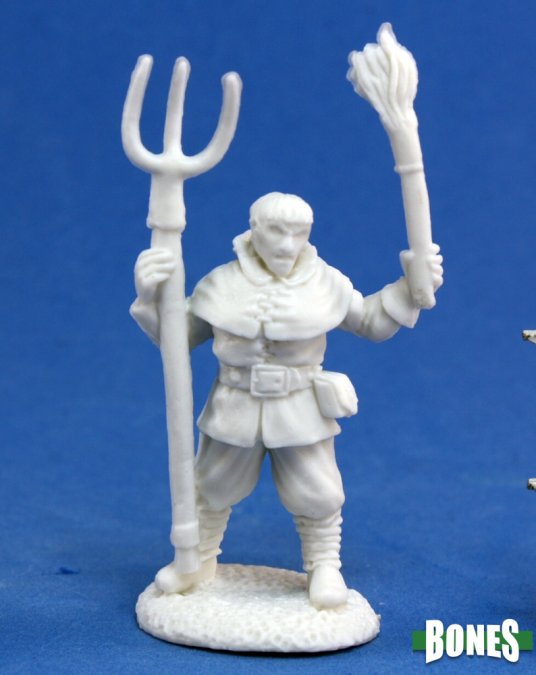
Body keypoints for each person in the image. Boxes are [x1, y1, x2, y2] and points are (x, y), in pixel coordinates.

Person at [130, 191, 443, 609]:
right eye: (277, 231)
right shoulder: (221, 283)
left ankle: (324, 566)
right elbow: (177, 337)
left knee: (318, 490)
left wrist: (409, 289)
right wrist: (150, 297)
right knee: (210, 486)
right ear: (254, 230)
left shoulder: (325, 282)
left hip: (299, 406)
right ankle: (196, 561)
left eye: (299, 233)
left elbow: (370, 321)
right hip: (234, 403)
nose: (287, 245)